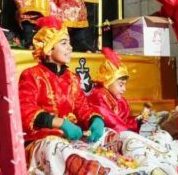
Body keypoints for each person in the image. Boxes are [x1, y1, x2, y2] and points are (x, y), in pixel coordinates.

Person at [18, 16, 113, 173]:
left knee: (109, 134)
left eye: (69, 42)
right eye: (64, 43)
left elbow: (83, 107)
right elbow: (24, 109)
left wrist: (96, 120)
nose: (70, 47)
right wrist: (59, 123)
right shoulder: (32, 75)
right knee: (55, 147)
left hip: (71, 140)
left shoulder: (72, 78)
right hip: (41, 141)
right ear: (48, 50)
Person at [88, 47, 139, 133]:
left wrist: (138, 121)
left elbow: (125, 121)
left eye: (124, 84)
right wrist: (128, 132)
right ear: (107, 82)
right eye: (120, 85)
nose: (124, 89)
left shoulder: (121, 102)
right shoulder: (98, 95)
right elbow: (111, 121)